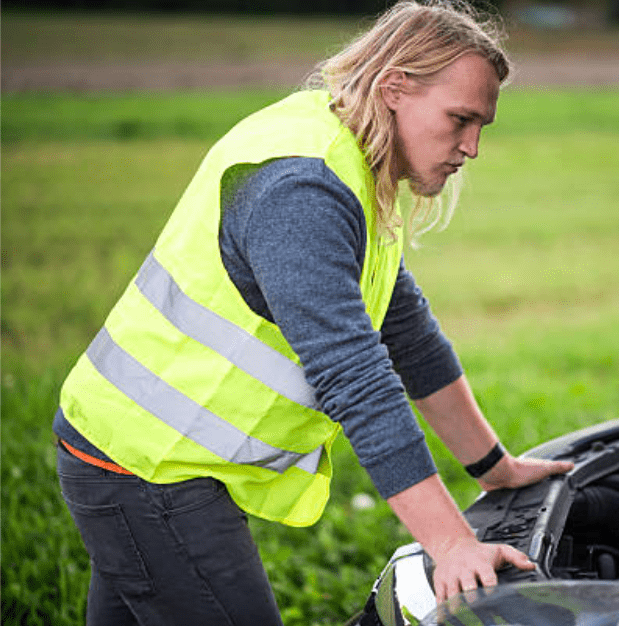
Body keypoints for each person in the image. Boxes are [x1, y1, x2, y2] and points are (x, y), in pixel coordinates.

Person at [53, 1, 573, 624]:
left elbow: (405, 332)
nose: (473, 147)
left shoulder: (353, 161)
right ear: (394, 88)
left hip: (141, 456)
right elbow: (355, 376)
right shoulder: (304, 188)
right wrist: (451, 542)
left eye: (481, 125)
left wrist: (494, 467)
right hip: (146, 468)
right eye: (460, 119)